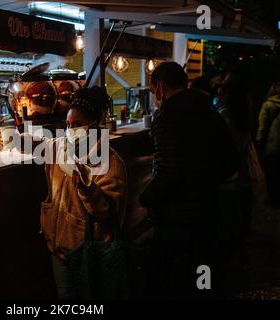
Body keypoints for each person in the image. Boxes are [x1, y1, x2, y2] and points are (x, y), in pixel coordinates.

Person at [140, 62, 239, 299]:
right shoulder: (209, 111)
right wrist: (204, 182)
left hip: (176, 220)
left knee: (163, 282)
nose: (156, 98)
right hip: (208, 212)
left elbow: (167, 170)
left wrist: (145, 198)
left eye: (154, 92)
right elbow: (232, 162)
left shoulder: (167, 116)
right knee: (202, 278)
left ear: (161, 87)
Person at [20, 86, 127, 299]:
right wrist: (18, 138)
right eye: (67, 124)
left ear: (93, 126)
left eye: (76, 125)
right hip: (59, 249)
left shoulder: (110, 161)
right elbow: (36, 145)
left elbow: (105, 211)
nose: (70, 130)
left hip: (91, 252)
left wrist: (87, 188)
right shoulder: (59, 147)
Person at [257, 81, 280, 206]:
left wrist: (259, 143)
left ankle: (273, 198)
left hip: (272, 145)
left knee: (271, 174)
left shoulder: (268, 105)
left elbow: (262, 127)